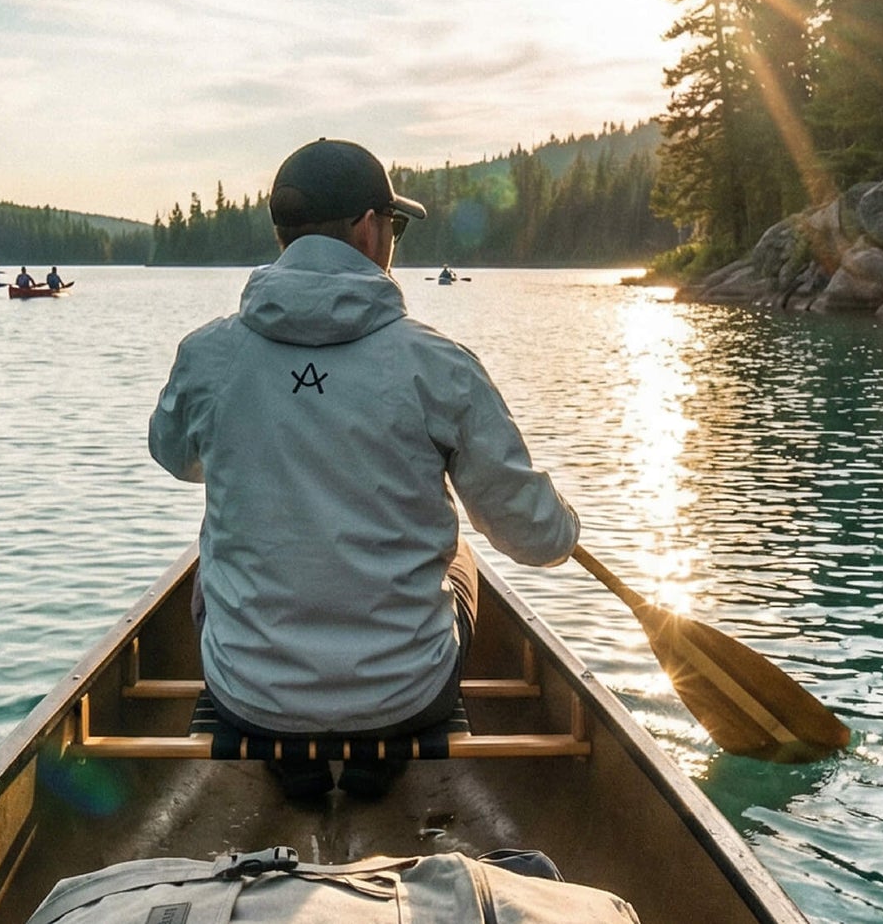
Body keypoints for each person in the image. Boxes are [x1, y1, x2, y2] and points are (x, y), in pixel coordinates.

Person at [148, 137, 579, 801]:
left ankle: (294, 761)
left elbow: (174, 455)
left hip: (248, 697)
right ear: (369, 228)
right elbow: (534, 537)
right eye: (395, 227)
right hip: (408, 698)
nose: (392, 240)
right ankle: (376, 761)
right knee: (462, 553)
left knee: (209, 561)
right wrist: (566, 526)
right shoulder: (437, 364)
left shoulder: (209, 354)